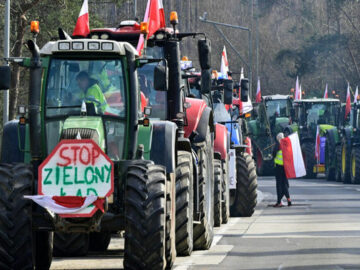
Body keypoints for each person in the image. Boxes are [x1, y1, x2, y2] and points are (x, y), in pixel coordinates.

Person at [273, 132, 292, 207]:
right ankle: (288, 199)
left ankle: (279, 201)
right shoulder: (286, 144)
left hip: (278, 167)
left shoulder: (278, 144)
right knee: (285, 184)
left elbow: (274, 154)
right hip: (285, 167)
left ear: (278, 138)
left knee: (279, 185)